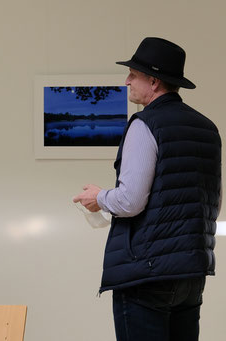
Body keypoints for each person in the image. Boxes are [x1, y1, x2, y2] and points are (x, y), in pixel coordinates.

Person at [73, 37, 221, 341]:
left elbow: (130, 201)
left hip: (146, 274)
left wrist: (98, 197)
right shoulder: (207, 128)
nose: (127, 80)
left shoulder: (145, 124)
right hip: (191, 272)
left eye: (134, 74)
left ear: (153, 81)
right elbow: (211, 202)